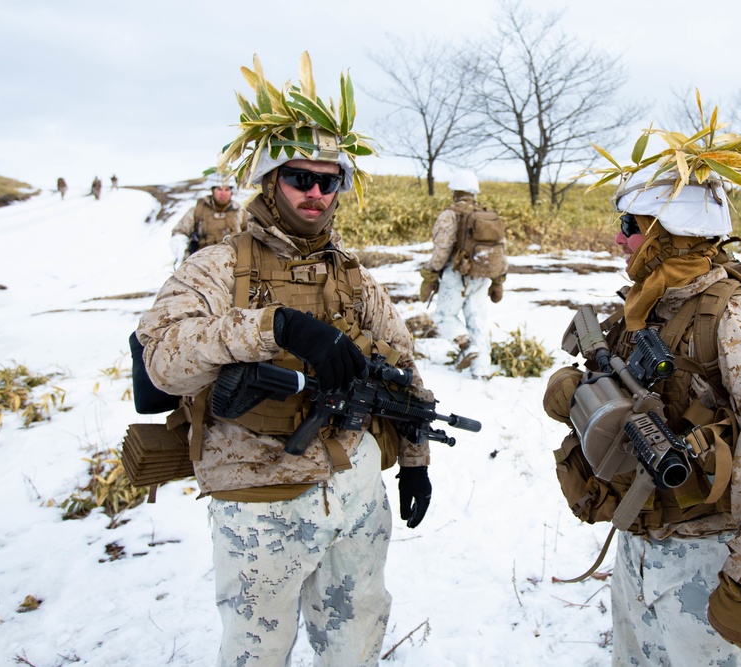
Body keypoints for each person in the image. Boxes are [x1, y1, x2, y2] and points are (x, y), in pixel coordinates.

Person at [135, 51, 433, 667]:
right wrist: (275, 326)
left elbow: (405, 371)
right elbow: (163, 361)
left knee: (356, 641)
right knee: (257, 652)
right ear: (272, 182)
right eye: (302, 178)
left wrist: (413, 462)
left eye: (331, 181)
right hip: (258, 499)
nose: (317, 194)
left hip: (353, 491)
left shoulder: (351, 275)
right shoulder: (217, 266)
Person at [545, 158, 741, 665]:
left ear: (669, 237)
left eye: (631, 226)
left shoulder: (736, 319)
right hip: (641, 546)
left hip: (708, 562)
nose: (621, 239)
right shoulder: (647, 308)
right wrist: (578, 394)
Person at [418, 171, 507, 378]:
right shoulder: (488, 216)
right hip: (482, 274)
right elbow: (501, 250)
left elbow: (441, 252)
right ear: (474, 192)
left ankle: (467, 347)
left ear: (454, 192)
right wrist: (498, 280)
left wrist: (429, 275)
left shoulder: (449, 215)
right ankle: (481, 369)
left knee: (443, 316)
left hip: (456, 274)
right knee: (477, 320)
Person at [170, 171, 244, 269]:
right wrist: (182, 255)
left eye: (227, 189)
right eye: (219, 189)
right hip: (200, 264)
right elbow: (179, 232)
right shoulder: (197, 211)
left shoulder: (241, 213)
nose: (223, 193)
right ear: (213, 190)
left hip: (233, 265)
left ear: (232, 191)